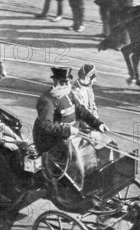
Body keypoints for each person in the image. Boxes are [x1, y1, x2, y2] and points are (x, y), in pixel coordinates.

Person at [33, 67, 109, 201]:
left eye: (68, 82)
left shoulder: (68, 94)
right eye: (63, 82)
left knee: (98, 144)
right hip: (51, 142)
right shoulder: (46, 100)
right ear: (55, 82)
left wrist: (98, 124)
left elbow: (81, 111)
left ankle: (96, 183)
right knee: (78, 157)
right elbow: (46, 126)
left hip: (72, 136)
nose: (67, 85)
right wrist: (67, 130)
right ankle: (78, 193)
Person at [73, 63, 98, 129]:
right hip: (80, 125)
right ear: (87, 78)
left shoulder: (89, 89)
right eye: (92, 78)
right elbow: (81, 110)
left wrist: (95, 117)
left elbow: (92, 105)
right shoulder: (76, 91)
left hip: (90, 122)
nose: (94, 80)